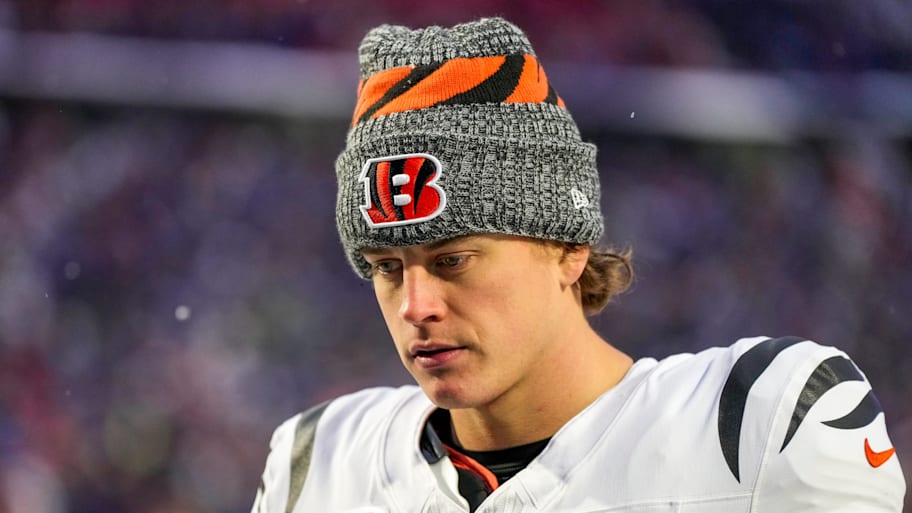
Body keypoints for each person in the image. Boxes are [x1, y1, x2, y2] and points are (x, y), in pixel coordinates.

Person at [250, 17, 906, 512]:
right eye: (387, 267)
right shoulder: (315, 463)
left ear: (568, 247)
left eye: (453, 260)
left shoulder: (760, 421)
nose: (415, 306)